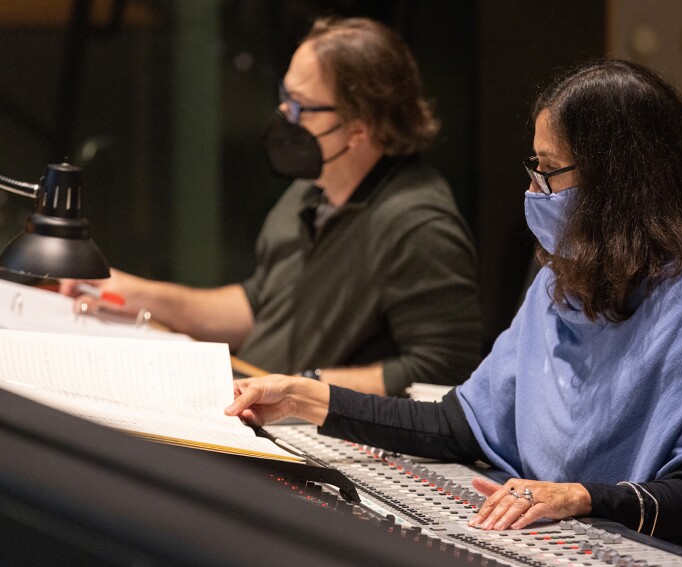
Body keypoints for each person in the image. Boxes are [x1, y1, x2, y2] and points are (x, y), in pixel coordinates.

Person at [224, 59, 682, 562]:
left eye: (550, 170)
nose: (534, 188)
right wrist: (300, 398)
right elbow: (457, 425)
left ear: (616, 181)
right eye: (534, 167)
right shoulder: (561, 281)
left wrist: (584, 497)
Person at [62, 17, 483, 397]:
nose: (283, 114)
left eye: (300, 106)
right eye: (285, 96)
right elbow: (260, 303)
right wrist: (136, 293)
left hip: (309, 438)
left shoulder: (420, 226)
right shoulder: (312, 189)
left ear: (358, 127)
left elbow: (443, 371)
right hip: (257, 411)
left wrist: (302, 389)